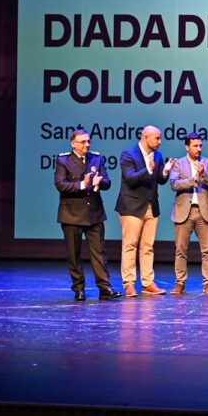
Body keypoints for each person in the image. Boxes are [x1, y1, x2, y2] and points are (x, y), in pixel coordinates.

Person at [54, 129, 122, 301]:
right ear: (73, 143)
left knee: (99, 253)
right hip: (71, 214)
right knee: (74, 253)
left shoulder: (97, 158)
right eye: (83, 142)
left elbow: (107, 182)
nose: (87, 145)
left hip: (94, 213)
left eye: (88, 141)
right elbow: (61, 185)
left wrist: (100, 182)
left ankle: (105, 287)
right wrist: (83, 185)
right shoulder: (63, 160)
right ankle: (79, 288)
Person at [115, 125, 175, 297]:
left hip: (151, 206)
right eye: (157, 138)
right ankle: (129, 283)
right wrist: (148, 169)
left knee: (147, 246)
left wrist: (165, 171)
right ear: (145, 137)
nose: (160, 142)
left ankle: (147, 282)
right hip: (132, 206)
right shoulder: (128, 154)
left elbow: (161, 180)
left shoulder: (158, 155)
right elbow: (131, 179)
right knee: (130, 245)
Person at [169, 133, 208, 295]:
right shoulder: (178, 163)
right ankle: (180, 283)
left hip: (203, 211)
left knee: (207, 250)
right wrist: (193, 179)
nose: (198, 149)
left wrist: (204, 174)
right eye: (195, 146)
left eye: (200, 146)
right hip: (184, 211)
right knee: (181, 249)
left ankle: (207, 283)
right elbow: (174, 184)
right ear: (187, 147)